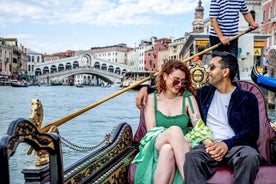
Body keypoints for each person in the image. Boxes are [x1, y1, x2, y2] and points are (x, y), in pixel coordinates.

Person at [136, 51, 263, 183]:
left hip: (235, 147)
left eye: (212, 67)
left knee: (250, 156)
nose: (207, 71)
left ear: (225, 72)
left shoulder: (247, 98)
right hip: (208, 147)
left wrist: (226, 144)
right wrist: (145, 88)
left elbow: (251, 133)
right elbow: (170, 90)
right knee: (191, 157)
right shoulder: (203, 94)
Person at [132, 60, 213, 184]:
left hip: (181, 144)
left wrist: (211, 146)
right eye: (176, 80)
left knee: (168, 149)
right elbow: (151, 131)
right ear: (165, 76)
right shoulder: (151, 98)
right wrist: (175, 136)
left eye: (183, 81)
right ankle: (191, 180)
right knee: (175, 131)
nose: (179, 84)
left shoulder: (188, 98)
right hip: (156, 140)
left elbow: (199, 126)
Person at [209, 0, 258, 79]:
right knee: (217, 63)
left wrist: (252, 23)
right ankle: (215, 84)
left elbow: (246, 12)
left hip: (232, 37)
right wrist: (221, 37)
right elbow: (213, 20)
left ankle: (234, 84)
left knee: (232, 62)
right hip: (216, 37)